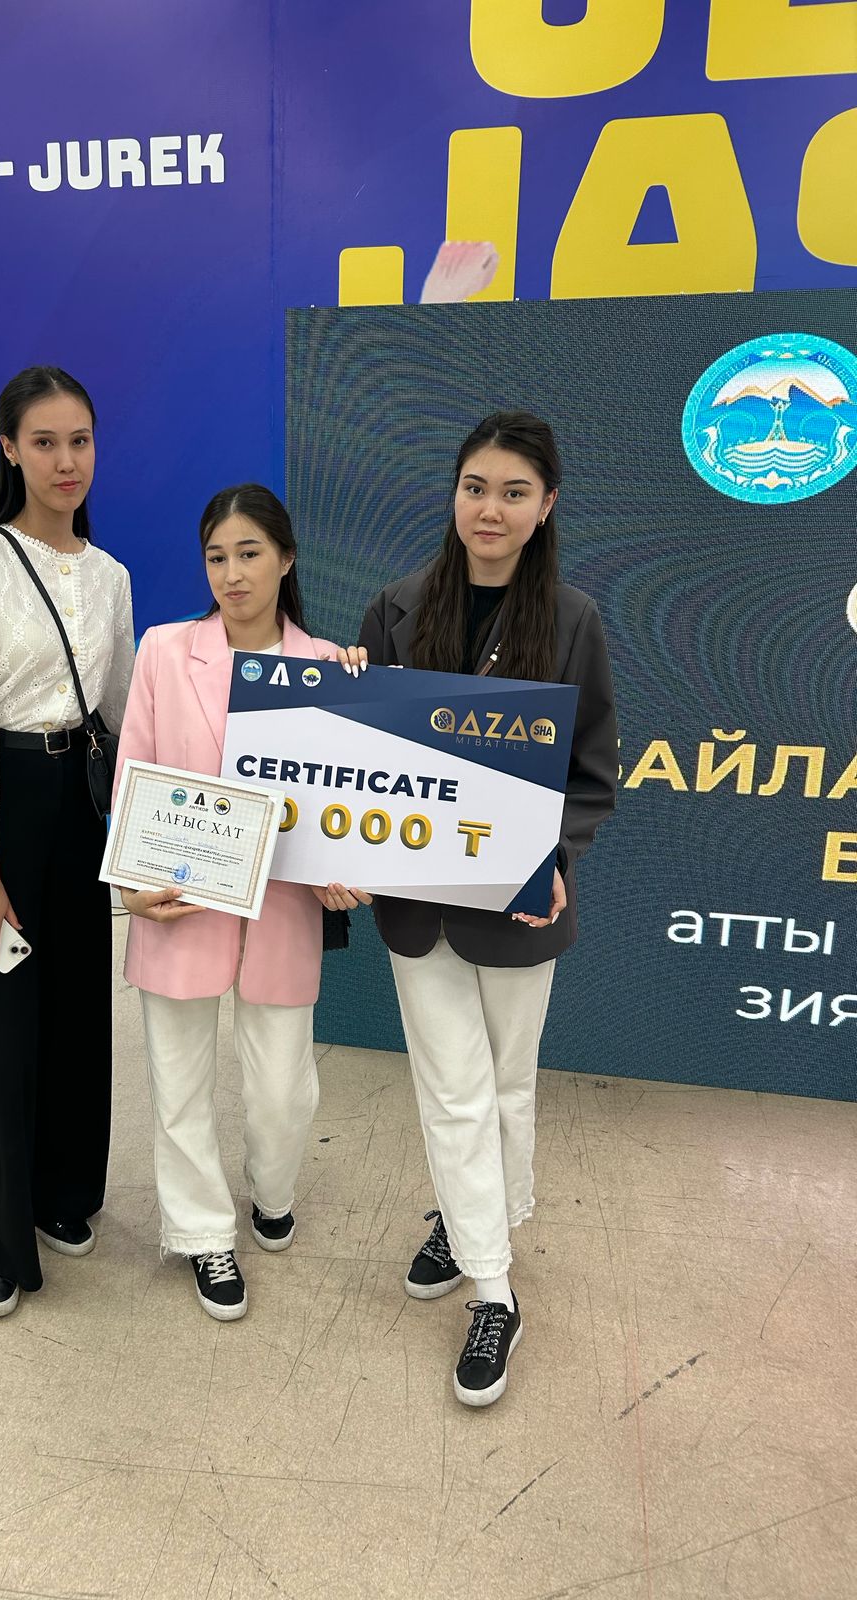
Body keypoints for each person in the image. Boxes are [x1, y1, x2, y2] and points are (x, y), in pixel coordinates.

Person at [352, 411, 617, 1404]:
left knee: (506, 1087)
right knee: (454, 1090)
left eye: (513, 492)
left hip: (515, 905)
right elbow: (359, 759)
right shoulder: (395, 608)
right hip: (417, 906)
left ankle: (472, 1226)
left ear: (547, 505)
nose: (489, 509)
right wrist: (341, 698)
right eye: (475, 487)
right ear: (453, 494)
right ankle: (495, 1292)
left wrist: (558, 852)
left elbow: (592, 772)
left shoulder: (574, 621)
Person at [115, 484, 369, 1320]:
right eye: (217, 557)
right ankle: (202, 1235)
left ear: (286, 558)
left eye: (250, 553)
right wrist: (131, 881)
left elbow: (348, 799)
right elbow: (135, 771)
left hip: (284, 908)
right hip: (180, 900)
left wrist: (343, 867)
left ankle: (272, 1191)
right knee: (179, 1082)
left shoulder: (329, 664)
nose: (232, 573)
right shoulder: (164, 650)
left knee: (283, 1090)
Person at [0, 365, 134, 1319]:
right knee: (2, 1028)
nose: (65, 461)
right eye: (45, 442)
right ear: (10, 449)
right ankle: (1, 1242)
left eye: (79, 441)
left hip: (76, 813)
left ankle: (63, 1196)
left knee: (75, 1011)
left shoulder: (110, 578)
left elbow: (127, 716)